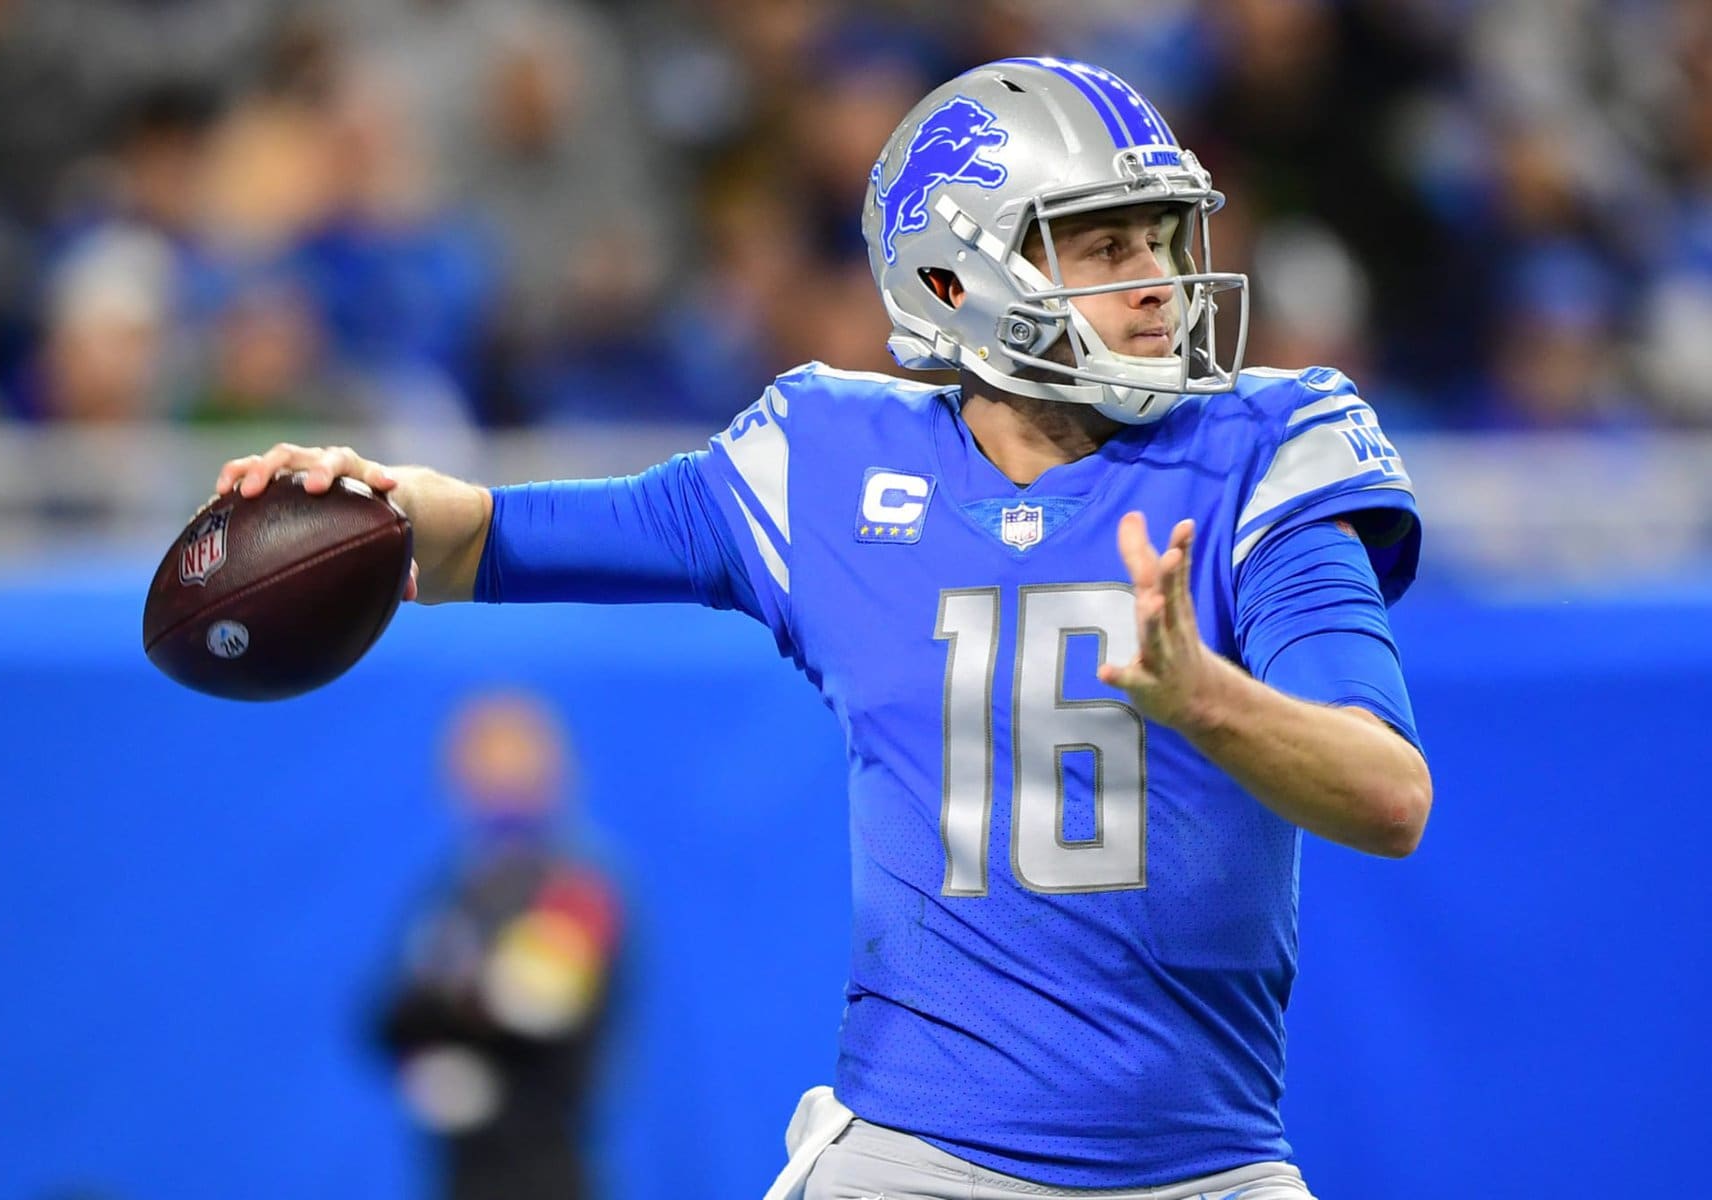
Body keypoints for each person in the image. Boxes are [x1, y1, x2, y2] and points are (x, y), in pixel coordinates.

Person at [215, 56, 1430, 1200]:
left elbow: (1389, 797)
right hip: (911, 1161)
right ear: (956, 280)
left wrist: (1208, 698)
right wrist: (365, 503)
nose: (1158, 281)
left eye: (1161, 238)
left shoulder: (1264, 453)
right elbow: (491, 539)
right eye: (1106, 245)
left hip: (1202, 1169)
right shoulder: (826, 464)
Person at [376, 692, 621, 1200]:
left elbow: (530, 1008)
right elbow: (386, 1018)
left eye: (513, 770)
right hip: (461, 1172)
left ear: (551, 776)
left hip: (544, 1169)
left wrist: (451, 1004)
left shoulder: (576, 893)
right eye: (483, 770)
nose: (497, 789)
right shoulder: (452, 893)